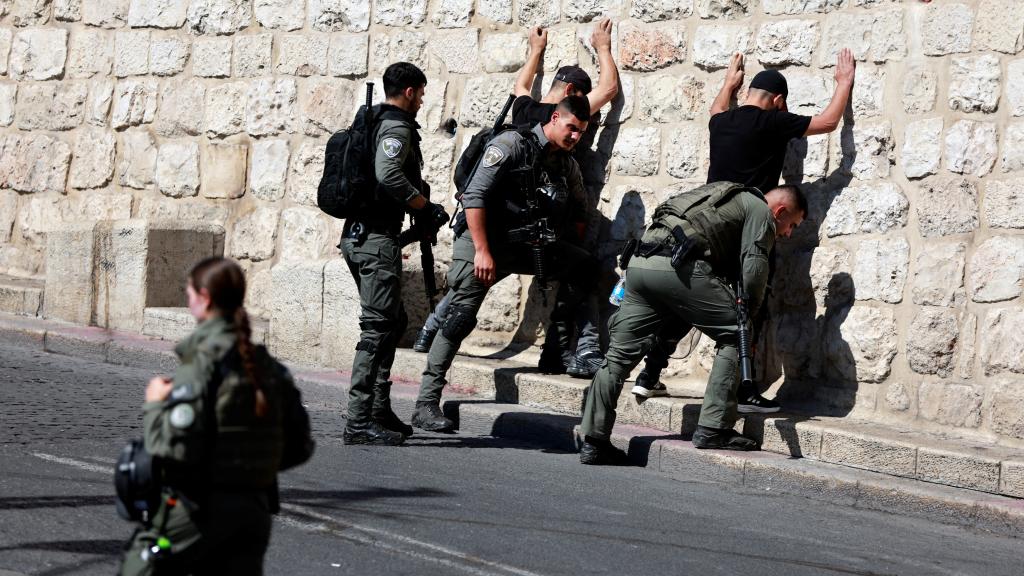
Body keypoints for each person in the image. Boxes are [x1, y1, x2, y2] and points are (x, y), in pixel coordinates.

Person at [630, 49, 857, 413]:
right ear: (778, 101)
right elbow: (828, 122)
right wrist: (844, 81)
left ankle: (649, 374)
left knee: (687, 305)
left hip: (706, 228)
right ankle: (742, 389)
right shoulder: (772, 123)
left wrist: (728, 84)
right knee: (749, 310)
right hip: (746, 232)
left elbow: (716, 109)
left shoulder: (722, 123)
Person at [413, 20, 620, 380]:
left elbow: (521, 85)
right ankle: (577, 350)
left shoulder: (524, 110)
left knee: (481, 280)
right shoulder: (570, 114)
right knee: (489, 279)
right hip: (520, 228)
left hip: (509, 228)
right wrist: (603, 46)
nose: (582, 126)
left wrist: (535, 50)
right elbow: (610, 88)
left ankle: (430, 328)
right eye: (581, 119)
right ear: (570, 95)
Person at [578, 182, 808, 464]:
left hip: (640, 263)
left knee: (617, 357)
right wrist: (749, 312)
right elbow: (755, 266)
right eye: (792, 225)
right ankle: (714, 428)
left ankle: (593, 440)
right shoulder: (760, 209)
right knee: (738, 335)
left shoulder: (718, 193)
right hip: (679, 267)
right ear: (781, 210)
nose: (787, 233)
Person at [411, 96, 598, 432]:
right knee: (460, 317)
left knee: (586, 267)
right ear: (555, 118)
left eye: (581, 133)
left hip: (526, 244)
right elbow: (475, 196)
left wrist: (558, 239)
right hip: (483, 240)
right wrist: (483, 251)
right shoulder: (511, 144)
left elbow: (581, 210)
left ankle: (562, 350)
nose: (574, 137)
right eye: (571, 128)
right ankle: (426, 403)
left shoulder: (566, 164)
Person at [120, 257, 315, 574]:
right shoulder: (269, 368)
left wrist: (155, 403)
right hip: (256, 510)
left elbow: (171, 447)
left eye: (189, 294)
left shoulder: (202, 363)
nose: (188, 300)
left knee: (139, 567)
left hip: (200, 508)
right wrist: (249, 470)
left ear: (204, 298)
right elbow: (299, 446)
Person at [340, 62, 448, 446]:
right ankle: (358, 419)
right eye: (421, 92)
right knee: (377, 327)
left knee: (393, 319)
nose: (422, 100)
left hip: (358, 237)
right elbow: (388, 174)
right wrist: (421, 205)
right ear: (409, 91)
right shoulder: (397, 127)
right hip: (374, 240)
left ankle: (377, 408)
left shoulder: (370, 122)